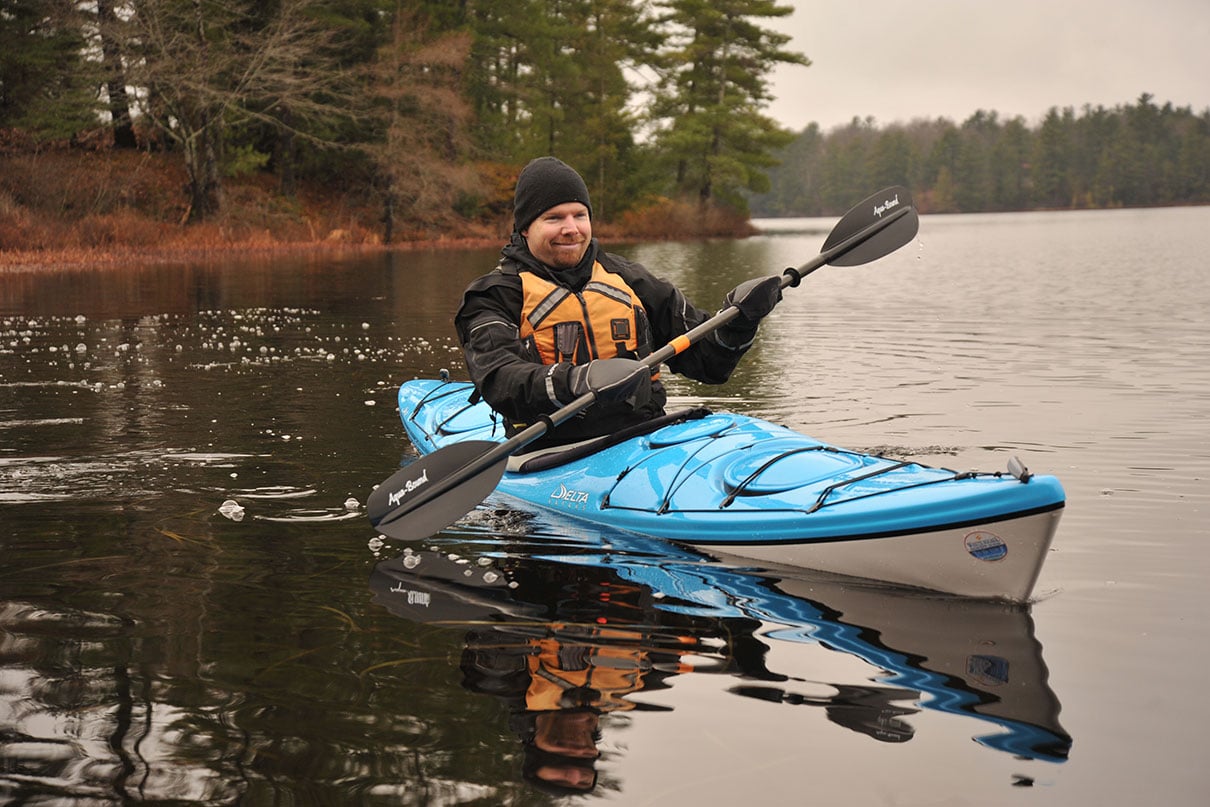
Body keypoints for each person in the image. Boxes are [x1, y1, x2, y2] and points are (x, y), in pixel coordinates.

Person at [455, 156, 781, 451]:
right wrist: (576, 381)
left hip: (645, 439)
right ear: (525, 228)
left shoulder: (630, 279)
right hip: (550, 448)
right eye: (554, 218)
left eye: (579, 215)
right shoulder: (495, 295)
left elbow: (709, 365)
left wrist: (738, 322)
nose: (571, 229)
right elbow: (499, 380)